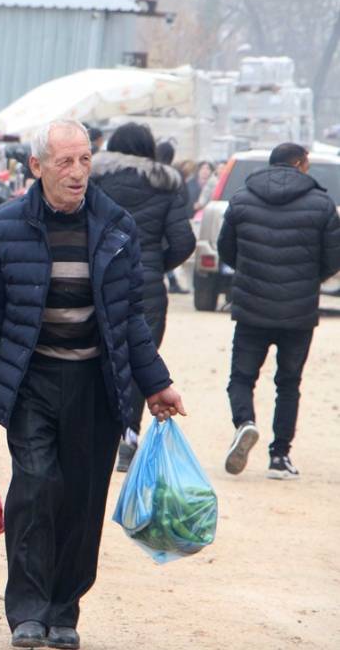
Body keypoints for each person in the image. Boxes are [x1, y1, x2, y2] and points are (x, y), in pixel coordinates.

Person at [0, 119, 186, 650]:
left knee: (82, 497)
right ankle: (28, 611)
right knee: (35, 487)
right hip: (31, 381)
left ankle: (63, 610)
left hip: (96, 384)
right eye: (65, 161)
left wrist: (157, 384)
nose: (77, 172)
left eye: (84, 160)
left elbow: (130, 318)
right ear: (37, 166)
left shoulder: (117, 226)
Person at [218, 143, 340, 480]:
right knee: (288, 383)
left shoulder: (241, 199)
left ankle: (245, 422)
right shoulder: (322, 204)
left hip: (251, 308)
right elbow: (334, 257)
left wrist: (250, 272)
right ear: (299, 164)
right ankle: (279, 456)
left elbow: (226, 249)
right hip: (298, 312)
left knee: (242, 377)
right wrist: (308, 280)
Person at [89, 124, 194, 472]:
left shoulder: (94, 179)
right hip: (146, 286)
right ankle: (129, 435)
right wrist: (154, 265)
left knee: (92, 352)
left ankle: (91, 432)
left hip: (95, 281)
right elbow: (183, 241)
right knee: (138, 358)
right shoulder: (165, 183)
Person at [154, 141, 191, 295]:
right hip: (170, 220)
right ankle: (171, 280)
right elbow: (185, 198)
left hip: (152, 220)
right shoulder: (175, 175)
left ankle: (171, 280)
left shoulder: (149, 172)